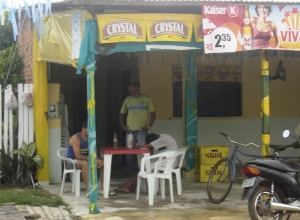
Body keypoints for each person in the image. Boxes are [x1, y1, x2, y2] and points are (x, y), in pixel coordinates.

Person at [114, 133, 178, 193]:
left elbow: (145, 146)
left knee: (142, 166)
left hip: (168, 163)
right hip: (169, 161)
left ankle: (128, 186)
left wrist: (139, 146)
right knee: (143, 166)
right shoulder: (163, 136)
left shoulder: (161, 140)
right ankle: (131, 186)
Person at [66, 121, 115, 197]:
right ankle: (89, 190)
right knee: (85, 164)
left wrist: (97, 160)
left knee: (103, 162)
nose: (92, 131)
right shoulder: (76, 138)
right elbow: (78, 156)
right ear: (83, 129)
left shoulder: (91, 138)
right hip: (72, 161)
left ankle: (102, 188)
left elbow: (95, 153)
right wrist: (93, 160)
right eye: (90, 129)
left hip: (85, 159)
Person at [119, 80, 156, 172]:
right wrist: (123, 126)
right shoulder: (127, 99)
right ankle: (130, 169)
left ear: (137, 88)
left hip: (141, 131)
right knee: (129, 152)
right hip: (130, 130)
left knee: (143, 150)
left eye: (131, 87)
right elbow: (121, 114)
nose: (129, 89)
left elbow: (153, 114)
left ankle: (145, 168)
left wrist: (148, 127)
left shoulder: (146, 99)